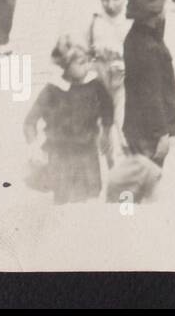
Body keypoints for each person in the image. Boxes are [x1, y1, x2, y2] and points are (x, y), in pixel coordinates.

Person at [23, 36, 116, 204]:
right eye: (81, 62)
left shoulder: (95, 85)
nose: (88, 66)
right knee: (63, 201)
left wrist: (106, 133)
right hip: (60, 155)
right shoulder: (52, 90)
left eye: (88, 61)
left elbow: (108, 109)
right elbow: (30, 121)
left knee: (88, 199)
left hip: (87, 153)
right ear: (66, 65)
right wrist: (33, 148)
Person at [122, 0, 175, 179]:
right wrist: (162, 134)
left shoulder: (139, 36)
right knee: (148, 178)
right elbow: (152, 95)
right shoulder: (149, 49)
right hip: (149, 132)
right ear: (154, 13)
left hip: (138, 126)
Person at [85, 0, 131, 132]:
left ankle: (121, 147)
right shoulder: (96, 20)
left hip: (125, 78)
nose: (110, 4)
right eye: (105, 0)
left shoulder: (130, 20)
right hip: (101, 77)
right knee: (101, 121)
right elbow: (87, 49)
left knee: (122, 118)